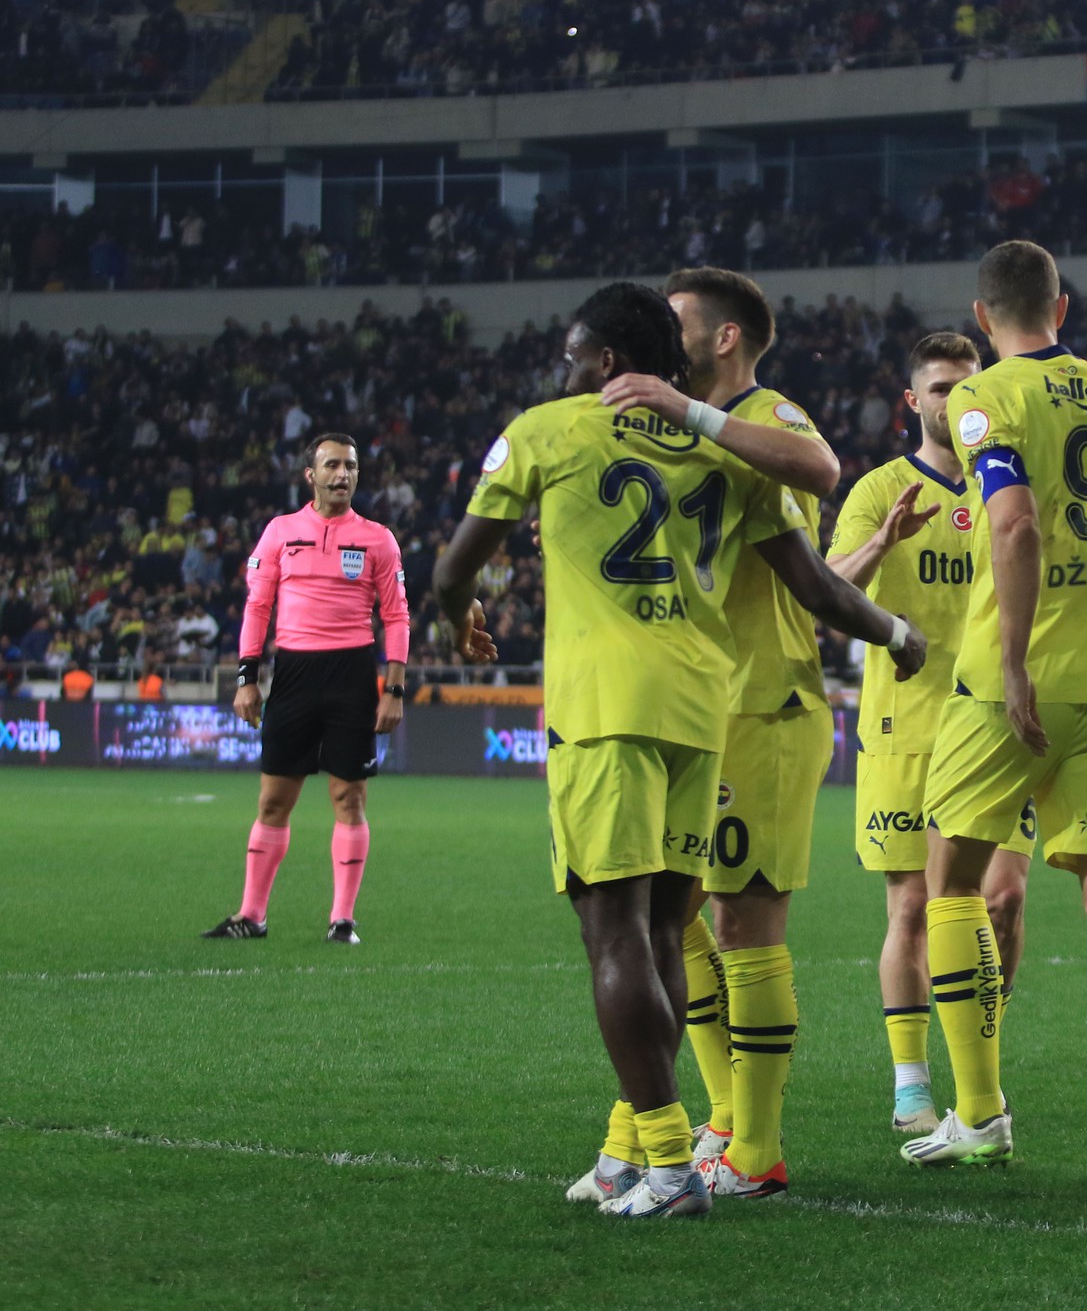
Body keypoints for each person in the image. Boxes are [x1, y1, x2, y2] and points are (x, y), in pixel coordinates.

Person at [433, 282, 924, 1219]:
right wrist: (897, 635)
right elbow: (814, 582)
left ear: (608, 362)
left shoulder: (551, 428)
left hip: (609, 705)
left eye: (576, 356)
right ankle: (639, 1147)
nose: (568, 371)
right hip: (704, 710)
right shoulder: (722, 451)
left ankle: (669, 1159)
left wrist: (462, 618)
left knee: (615, 931)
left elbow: (456, 565)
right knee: (668, 933)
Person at [900, 240, 1087, 1188]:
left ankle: (978, 1114)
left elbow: (1016, 522)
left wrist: (1019, 660)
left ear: (983, 320)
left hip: (1007, 681)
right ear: (1059, 307)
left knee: (949, 885)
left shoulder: (985, 397)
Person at [596, 266, 845, 1199]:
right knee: (674, 913)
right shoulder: (673, 432)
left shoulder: (771, 413)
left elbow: (820, 470)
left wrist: (685, 413)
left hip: (765, 701)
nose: (668, 336)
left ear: (725, 337)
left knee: (742, 920)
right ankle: (726, 1113)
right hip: (699, 704)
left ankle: (758, 1150)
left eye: (680, 322)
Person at [826, 329, 1036, 1135]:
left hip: (989, 722)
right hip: (902, 726)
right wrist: (883, 543)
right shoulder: (879, 488)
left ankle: (975, 1058)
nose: (952, 400)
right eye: (938, 388)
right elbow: (821, 585)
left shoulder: (1008, 486)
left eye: (964, 385)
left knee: (1005, 901)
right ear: (912, 401)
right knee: (912, 907)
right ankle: (912, 1081)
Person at [204, 433, 409, 946]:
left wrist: (395, 688)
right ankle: (252, 915)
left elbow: (397, 616)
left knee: (349, 795)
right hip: (292, 673)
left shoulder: (378, 538)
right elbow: (257, 608)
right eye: (333, 465)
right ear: (310, 475)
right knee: (273, 800)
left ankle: (343, 920)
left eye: (351, 467)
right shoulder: (279, 532)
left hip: (352, 675)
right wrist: (247, 678)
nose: (343, 475)